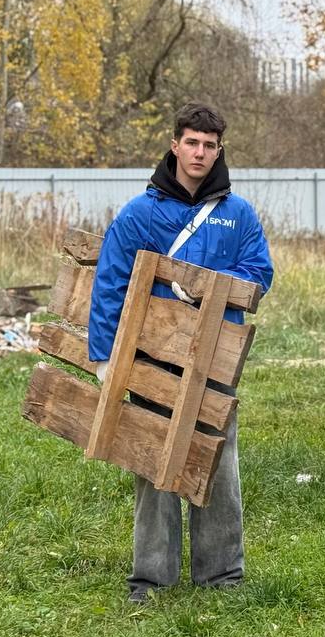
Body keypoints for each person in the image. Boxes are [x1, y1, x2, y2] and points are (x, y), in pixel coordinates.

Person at [87, 103, 274, 604]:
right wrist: (104, 357)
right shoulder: (141, 213)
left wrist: (209, 285)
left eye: (209, 145)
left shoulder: (237, 214)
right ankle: (151, 577)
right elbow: (111, 281)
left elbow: (259, 273)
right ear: (175, 146)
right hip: (153, 356)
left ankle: (222, 574)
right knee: (151, 459)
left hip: (215, 355)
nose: (200, 153)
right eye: (191, 142)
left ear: (219, 151)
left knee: (216, 459)